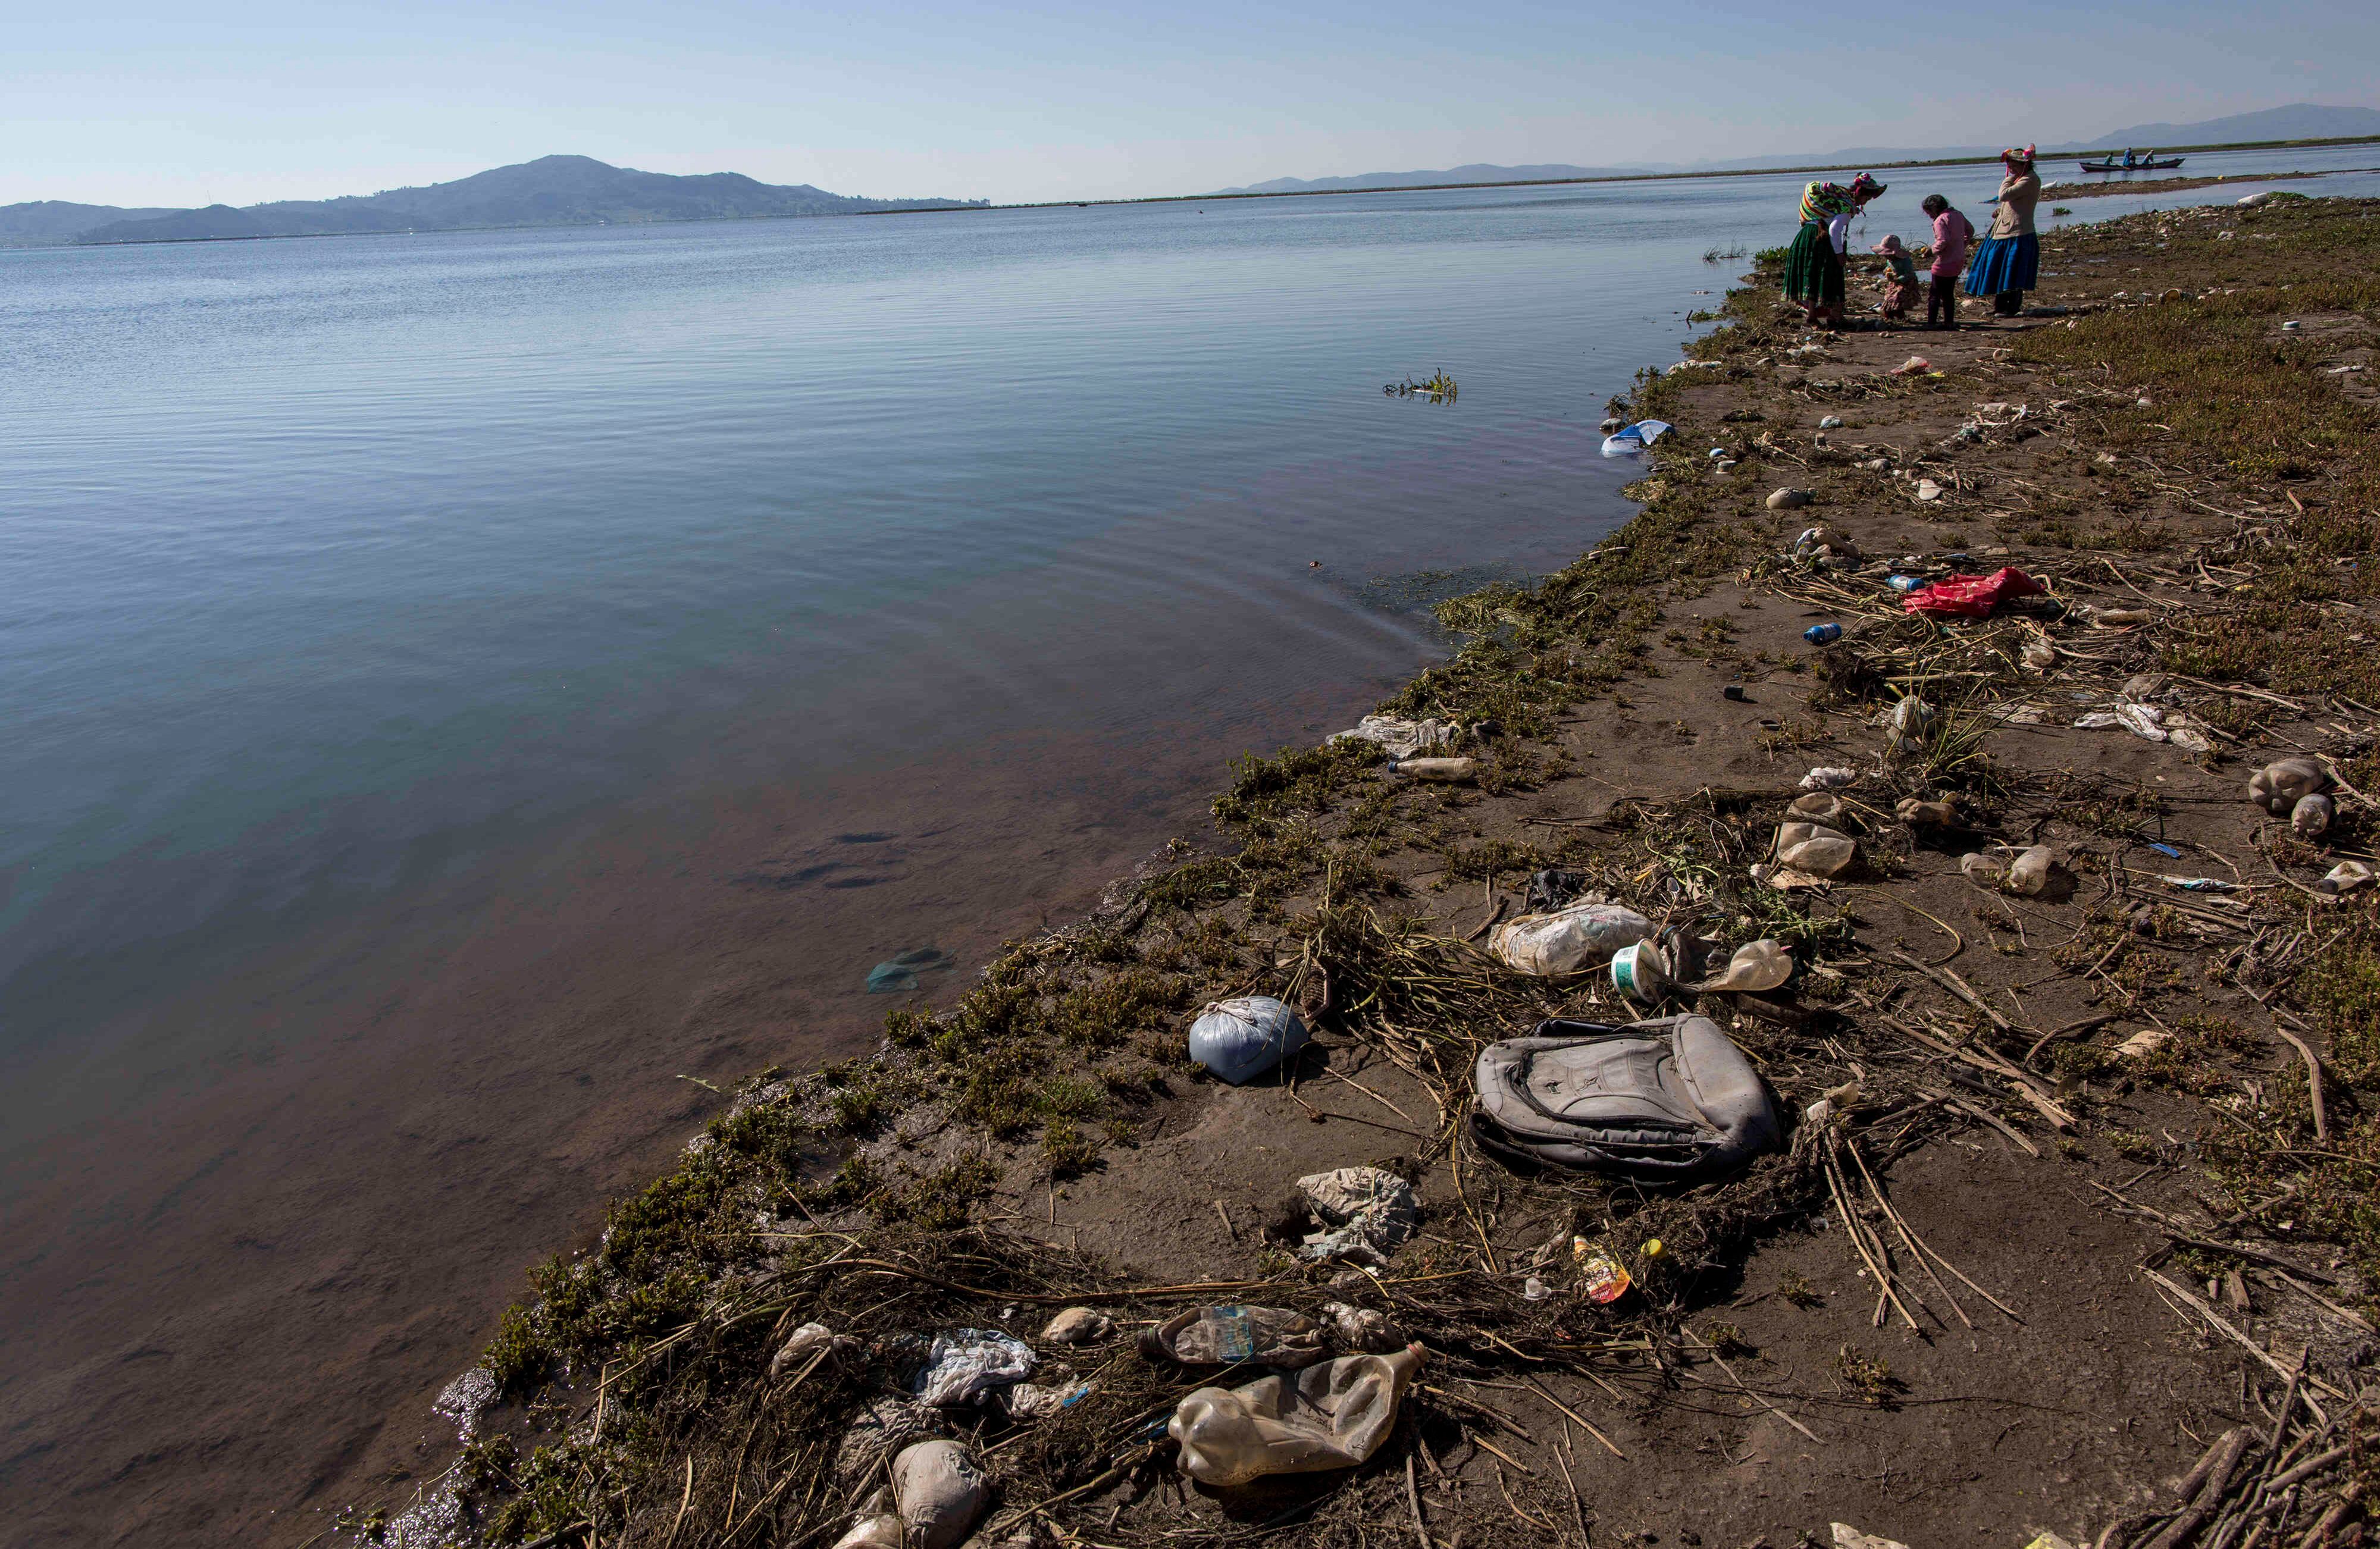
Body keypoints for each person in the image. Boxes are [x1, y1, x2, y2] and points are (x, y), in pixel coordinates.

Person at [1781, 173, 1886, 329]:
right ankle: (1833, 316)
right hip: (1821, 240)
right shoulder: (1845, 206)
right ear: (1861, 194)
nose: (1866, 201)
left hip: (1806, 236)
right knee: (1829, 274)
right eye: (1867, 198)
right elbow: (1834, 229)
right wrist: (1839, 254)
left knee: (1812, 275)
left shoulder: (1832, 201)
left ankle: (1815, 316)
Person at [1966, 145, 2041, 318]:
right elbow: (2012, 202)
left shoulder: (2029, 180)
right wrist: (2001, 211)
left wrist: (2006, 180)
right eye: (2010, 166)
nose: (2012, 169)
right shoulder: (2019, 179)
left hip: (2018, 233)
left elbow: (2004, 195)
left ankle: (2012, 308)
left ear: (2026, 165)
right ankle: (1999, 308)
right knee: (2000, 270)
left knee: (2013, 272)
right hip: (2003, 231)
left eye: (2015, 166)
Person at [1921, 193, 1974, 330]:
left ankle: (1931, 323)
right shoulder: (1957, 214)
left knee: (1935, 294)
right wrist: (1963, 244)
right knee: (1948, 294)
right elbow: (1970, 230)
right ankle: (1948, 322)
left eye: (1930, 213)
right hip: (1958, 260)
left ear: (1935, 208)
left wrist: (1930, 250)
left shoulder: (1940, 220)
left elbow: (1943, 241)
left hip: (1945, 262)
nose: (1930, 216)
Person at [1873, 234, 1920, 322]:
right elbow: (1889, 268)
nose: (1886, 256)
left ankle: (1900, 316)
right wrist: (1887, 271)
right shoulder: (1889, 260)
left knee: (1897, 297)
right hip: (1895, 281)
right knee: (1888, 297)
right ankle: (1890, 316)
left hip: (1907, 282)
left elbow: (1910, 274)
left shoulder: (1905, 261)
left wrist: (1899, 279)